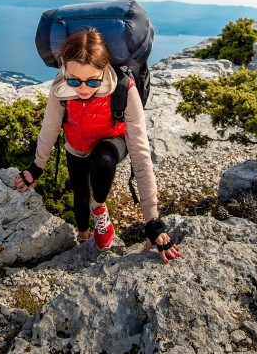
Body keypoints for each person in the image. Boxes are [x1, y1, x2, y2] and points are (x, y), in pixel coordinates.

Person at [13, 27, 181, 264]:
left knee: (102, 160)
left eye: (92, 80)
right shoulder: (61, 88)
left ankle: (100, 209)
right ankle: (83, 234)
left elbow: (141, 155)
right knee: (80, 196)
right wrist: (36, 167)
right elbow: (49, 128)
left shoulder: (123, 88)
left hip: (111, 140)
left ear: (105, 68)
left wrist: (152, 221)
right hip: (76, 146)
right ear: (64, 69)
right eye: (74, 80)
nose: (82, 89)